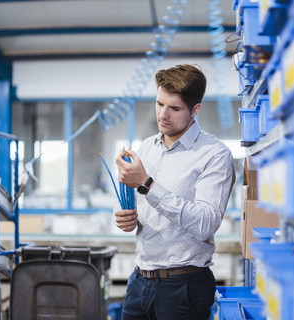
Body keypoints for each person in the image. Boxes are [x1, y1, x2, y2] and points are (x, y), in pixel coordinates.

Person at [114, 64, 236, 320]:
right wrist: (125, 216)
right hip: (140, 280)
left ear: (195, 110)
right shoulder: (147, 148)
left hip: (183, 287)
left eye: (175, 108)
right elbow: (140, 206)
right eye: (159, 104)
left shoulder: (214, 154)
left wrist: (146, 184)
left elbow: (205, 224)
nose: (163, 115)